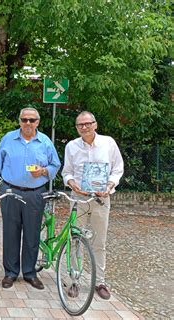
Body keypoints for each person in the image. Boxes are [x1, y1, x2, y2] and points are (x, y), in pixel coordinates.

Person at [0, 107, 61, 290]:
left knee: (32, 234)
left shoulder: (45, 142)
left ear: (37, 122)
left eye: (31, 120)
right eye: (24, 120)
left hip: (35, 193)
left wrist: (43, 171)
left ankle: (29, 273)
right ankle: (10, 272)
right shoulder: (8, 139)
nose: (27, 123)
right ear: (19, 121)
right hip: (11, 191)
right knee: (10, 232)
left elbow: (55, 164)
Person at [61, 111, 124, 300]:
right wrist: (73, 185)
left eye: (87, 123)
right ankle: (74, 280)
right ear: (76, 127)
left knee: (99, 242)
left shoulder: (108, 143)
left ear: (95, 124)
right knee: (75, 240)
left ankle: (100, 282)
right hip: (79, 198)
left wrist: (110, 186)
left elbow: (118, 168)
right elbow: (67, 173)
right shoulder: (71, 146)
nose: (84, 127)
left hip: (101, 199)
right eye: (80, 124)